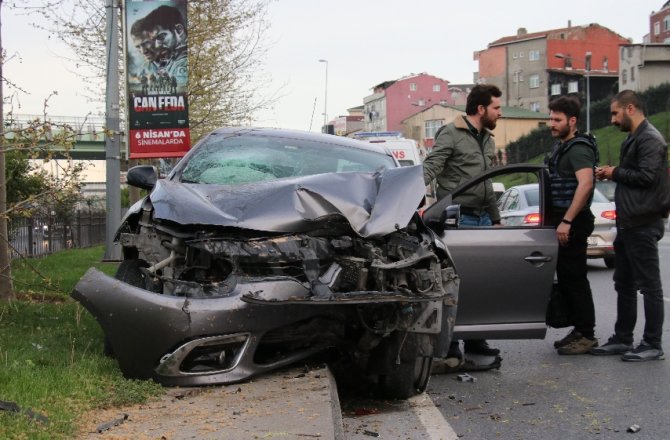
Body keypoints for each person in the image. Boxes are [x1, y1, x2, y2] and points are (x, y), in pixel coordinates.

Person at [423, 84, 503, 371]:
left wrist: (495, 218)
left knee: (482, 282)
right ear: (481, 109)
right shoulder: (451, 134)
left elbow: (489, 181)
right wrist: (409, 194)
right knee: (457, 286)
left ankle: (476, 341)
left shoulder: (487, 139)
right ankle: (451, 344)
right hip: (459, 219)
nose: (500, 112)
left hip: (482, 218)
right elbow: (431, 167)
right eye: (496, 107)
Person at [591, 90, 669, 361]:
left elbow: (647, 177)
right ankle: (623, 339)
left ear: (631, 108)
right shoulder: (634, 139)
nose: (613, 119)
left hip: (643, 222)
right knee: (623, 283)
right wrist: (613, 173)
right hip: (628, 222)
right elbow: (633, 175)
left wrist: (615, 172)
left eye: (615, 113)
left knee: (649, 286)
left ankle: (653, 344)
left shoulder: (650, 139)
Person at [546, 96, 599, 355]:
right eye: (551, 118)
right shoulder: (562, 146)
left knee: (575, 277)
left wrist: (567, 220)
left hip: (574, 222)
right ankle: (579, 329)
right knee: (567, 277)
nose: (551, 124)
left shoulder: (578, 148)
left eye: (557, 120)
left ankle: (587, 334)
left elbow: (586, 184)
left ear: (572, 121)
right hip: (565, 220)